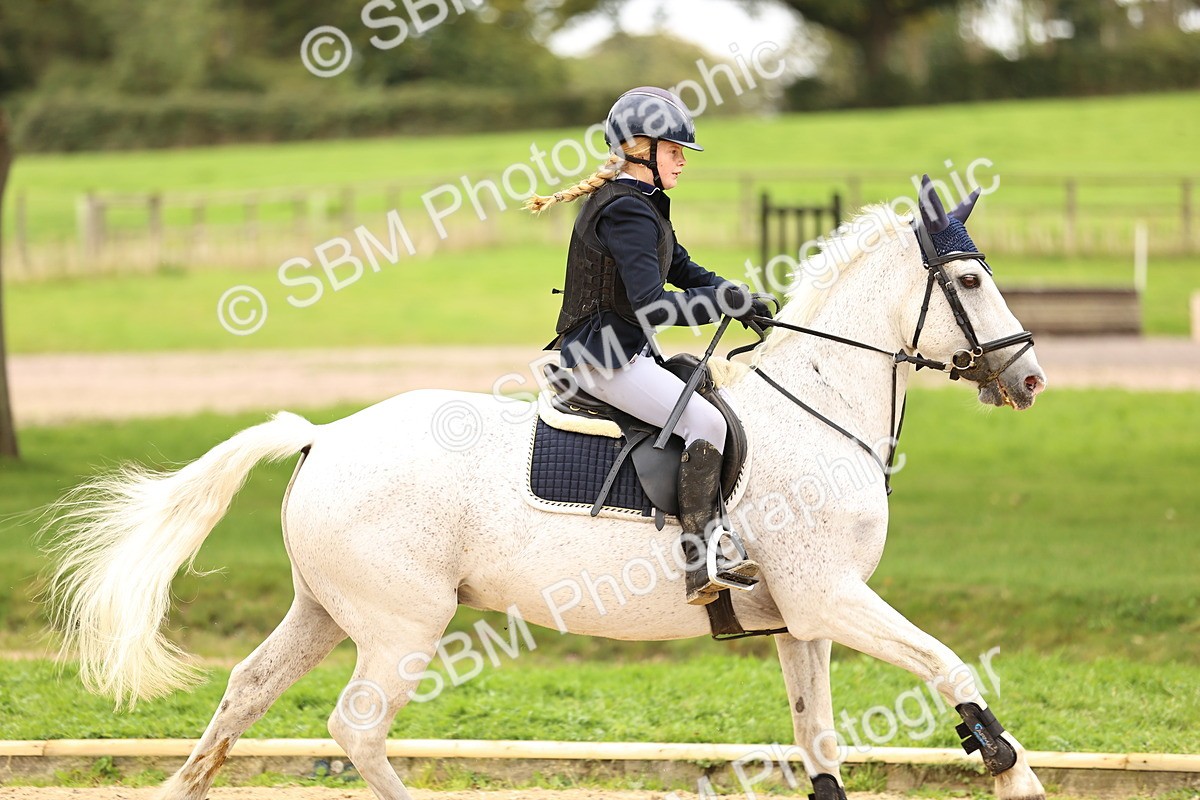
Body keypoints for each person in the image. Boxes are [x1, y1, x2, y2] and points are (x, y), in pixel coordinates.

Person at [525, 86, 770, 606]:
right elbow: (654, 306)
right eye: (674, 151)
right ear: (641, 148)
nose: (682, 162)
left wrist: (738, 294)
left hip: (622, 348)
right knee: (705, 423)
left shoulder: (646, 204)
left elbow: (682, 267)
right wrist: (724, 303)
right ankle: (702, 558)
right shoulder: (625, 211)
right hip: (603, 356)